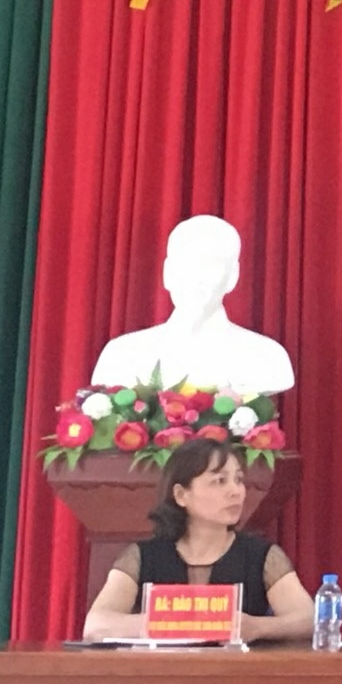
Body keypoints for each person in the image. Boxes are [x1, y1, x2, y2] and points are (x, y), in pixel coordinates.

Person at [82, 439, 314, 641]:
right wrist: (180, 623)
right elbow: (95, 626)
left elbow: (309, 619)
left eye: (238, 480)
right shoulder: (142, 557)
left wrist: (256, 627)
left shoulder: (261, 556)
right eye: (219, 481)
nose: (236, 491)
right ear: (181, 495)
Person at [89, 215, 295, 396]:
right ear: (167, 273)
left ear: (233, 276)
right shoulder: (121, 355)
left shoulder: (266, 358)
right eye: (185, 264)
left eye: (210, 264)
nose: (195, 277)